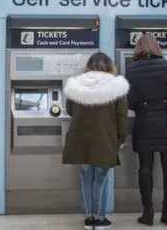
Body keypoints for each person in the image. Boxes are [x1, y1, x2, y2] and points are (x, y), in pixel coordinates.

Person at [62, 52, 129, 230]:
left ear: (89, 65)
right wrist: (121, 138)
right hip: (105, 139)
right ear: (109, 65)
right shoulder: (117, 87)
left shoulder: (76, 85)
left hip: (81, 139)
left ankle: (88, 217)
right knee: (102, 178)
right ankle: (100, 219)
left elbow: (70, 110)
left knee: (85, 177)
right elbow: (122, 117)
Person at [125, 34, 167, 226]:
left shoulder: (132, 69)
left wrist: (142, 106)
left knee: (145, 167)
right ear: (157, 47)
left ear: (138, 48)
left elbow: (129, 100)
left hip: (144, 121)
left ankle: (148, 212)